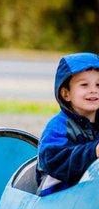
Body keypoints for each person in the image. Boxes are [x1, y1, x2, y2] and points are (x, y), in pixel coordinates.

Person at [37, 52, 99, 196]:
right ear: (66, 94)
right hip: (58, 197)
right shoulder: (59, 126)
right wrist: (94, 151)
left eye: (98, 84)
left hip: (89, 196)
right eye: (84, 85)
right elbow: (53, 160)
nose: (93, 90)